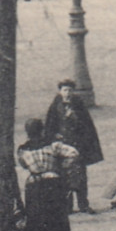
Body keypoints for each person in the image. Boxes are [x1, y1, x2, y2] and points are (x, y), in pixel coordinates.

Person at [16, 118, 79, 231]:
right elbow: (73, 153)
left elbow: (23, 164)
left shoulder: (23, 150)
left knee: (36, 221)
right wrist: (61, 167)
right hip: (53, 184)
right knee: (56, 220)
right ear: (42, 130)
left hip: (34, 185)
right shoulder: (53, 145)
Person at [43, 80, 103, 214]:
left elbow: (87, 126)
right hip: (62, 147)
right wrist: (55, 137)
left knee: (80, 177)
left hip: (78, 146)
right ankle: (67, 206)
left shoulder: (79, 106)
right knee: (63, 177)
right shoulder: (55, 106)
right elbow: (49, 126)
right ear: (60, 92)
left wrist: (75, 118)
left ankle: (83, 204)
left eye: (70, 90)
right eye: (65, 90)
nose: (68, 93)